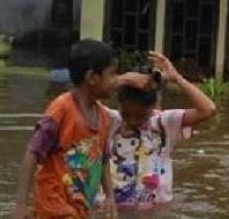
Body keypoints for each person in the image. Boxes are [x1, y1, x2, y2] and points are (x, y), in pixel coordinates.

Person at [12, 40, 154, 219]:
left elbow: (102, 159)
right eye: (112, 74)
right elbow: (32, 152)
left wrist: (110, 195)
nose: (116, 80)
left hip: (81, 207)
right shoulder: (61, 110)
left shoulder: (103, 116)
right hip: (53, 205)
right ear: (92, 78)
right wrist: (21, 204)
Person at [106, 51, 216, 209]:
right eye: (127, 114)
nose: (133, 120)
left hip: (156, 210)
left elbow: (209, 109)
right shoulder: (110, 120)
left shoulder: (164, 123)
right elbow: (74, 101)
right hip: (115, 209)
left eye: (141, 115)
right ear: (119, 105)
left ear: (154, 106)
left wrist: (177, 79)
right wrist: (122, 79)